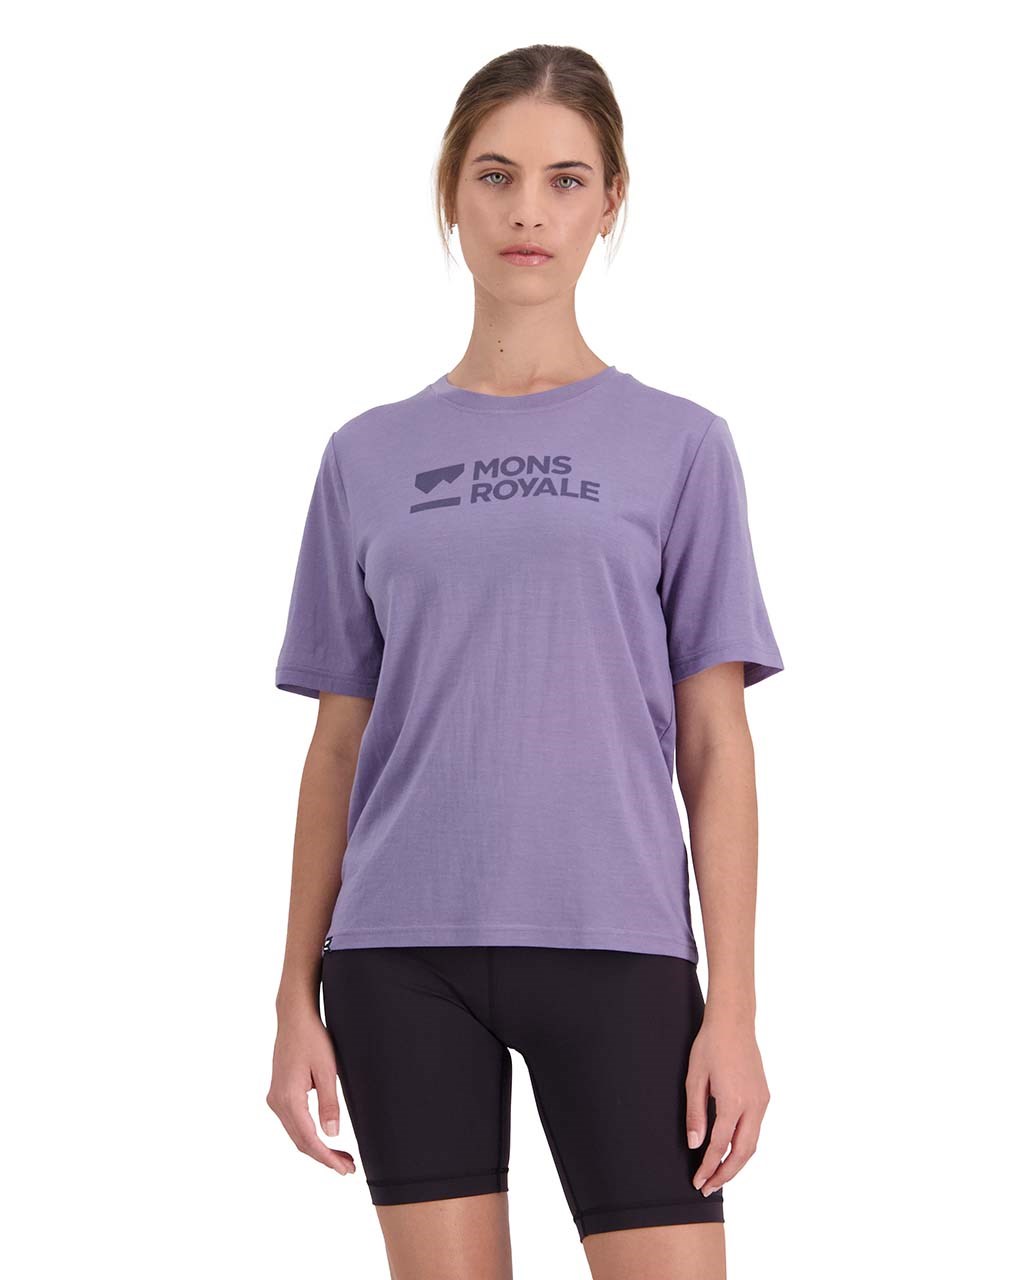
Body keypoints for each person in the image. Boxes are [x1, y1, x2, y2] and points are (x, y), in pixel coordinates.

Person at [266, 43, 784, 1280]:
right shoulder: (364, 456)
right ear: (452, 191)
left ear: (609, 202)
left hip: (619, 945)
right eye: (495, 175)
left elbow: (714, 742)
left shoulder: (680, 445)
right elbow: (338, 745)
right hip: (397, 955)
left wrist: (734, 1006)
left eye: (565, 180)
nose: (527, 212)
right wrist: (291, 994)